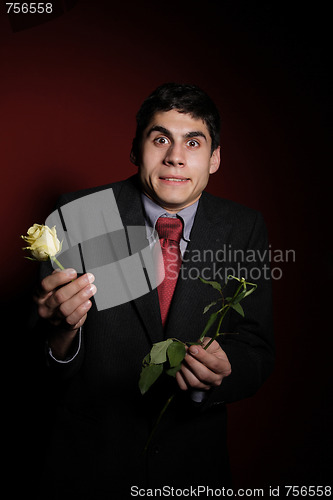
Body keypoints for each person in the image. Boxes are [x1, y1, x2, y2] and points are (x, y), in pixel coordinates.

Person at [35, 83, 274, 498]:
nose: (175, 156)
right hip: (92, 468)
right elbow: (41, 365)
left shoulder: (243, 228)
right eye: (160, 138)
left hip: (194, 467)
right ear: (134, 150)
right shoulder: (78, 215)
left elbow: (256, 346)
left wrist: (224, 368)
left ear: (214, 158)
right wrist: (60, 333)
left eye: (193, 142)